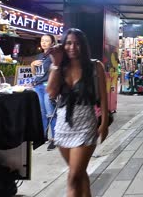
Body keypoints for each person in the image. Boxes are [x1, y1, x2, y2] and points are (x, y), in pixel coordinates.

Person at [46, 28, 109, 197]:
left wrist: (104, 123)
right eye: (68, 43)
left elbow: (103, 97)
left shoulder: (95, 66)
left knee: (73, 177)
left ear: (83, 45)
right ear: (63, 45)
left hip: (85, 124)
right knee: (79, 174)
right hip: (63, 125)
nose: (72, 47)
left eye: (77, 43)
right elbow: (51, 93)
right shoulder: (60, 67)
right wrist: (56, 64)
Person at [31, 34, 57, 151]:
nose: (44, 43)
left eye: (47, 41)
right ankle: (44, 136)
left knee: (50, 112)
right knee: (41, 112)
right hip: (38, 86)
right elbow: (35, 73)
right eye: (42, 40)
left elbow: (58, 70)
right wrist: (32, 65)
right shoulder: (40, 56)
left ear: (52, 43)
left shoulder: (54, 56)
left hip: (48, 86)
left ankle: (55, 139)